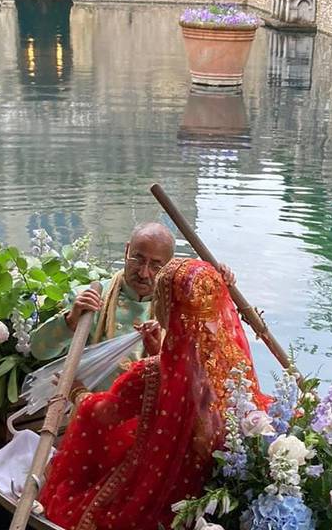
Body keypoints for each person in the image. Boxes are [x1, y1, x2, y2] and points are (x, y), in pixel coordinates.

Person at [39, 259, 270, 530]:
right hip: (208, 483)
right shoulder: (233, 364)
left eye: (160, 297)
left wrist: (76, 391)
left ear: (168, 306)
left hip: (158, 485)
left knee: (83, 490)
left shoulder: (153, 373)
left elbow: (105, 414)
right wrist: (157, 352)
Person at [30, 222, 235, 390]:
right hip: (93, 415)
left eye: (156, 266)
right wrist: (71, 320)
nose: (144, 273)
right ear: (127, 250)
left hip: (157, 417)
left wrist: (219, 287)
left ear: (170, 266)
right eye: (138, 259)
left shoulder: (180, 306)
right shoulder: (91, 297)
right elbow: (39, 350)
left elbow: (209, 358)